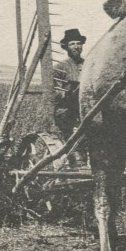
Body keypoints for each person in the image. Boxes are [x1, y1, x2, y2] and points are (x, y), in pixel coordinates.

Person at [54, 28, 87, 164]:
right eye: (72, 43)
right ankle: (77, 161)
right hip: (68, 111)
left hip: (86, 109)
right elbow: (56, 92)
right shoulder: (61, 67)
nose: (76, 46)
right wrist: (70, 92)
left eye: (78, 43)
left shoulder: (88, 64)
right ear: (66, 47)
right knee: (75, 138)